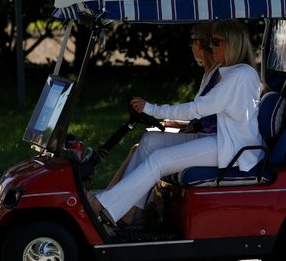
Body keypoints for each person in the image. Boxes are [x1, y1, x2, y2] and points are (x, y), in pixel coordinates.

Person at [87, 20, 262, 226]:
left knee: (160, 160)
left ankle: (102, 203)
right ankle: (127, 211)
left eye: (217, 42)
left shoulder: (240, 75)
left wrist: (152, 109)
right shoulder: (231, 72)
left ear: (233, 44)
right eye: (210, 42)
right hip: (219, 139)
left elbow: (196, 109)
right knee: (150, 140)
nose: (211, 46)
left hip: (230, 147)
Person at [105, 23, 219, 189]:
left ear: (199, 44)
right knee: (144, 144)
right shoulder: (209, 75)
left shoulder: (221, 78)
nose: (190, 46)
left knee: (147, 151)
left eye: (192, 41)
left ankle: (113, 203)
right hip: (201, 137)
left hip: (210, 143)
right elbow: (204, 116)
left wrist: (153, 109)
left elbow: (200, 114)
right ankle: (114, 200)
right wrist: (174, 123)